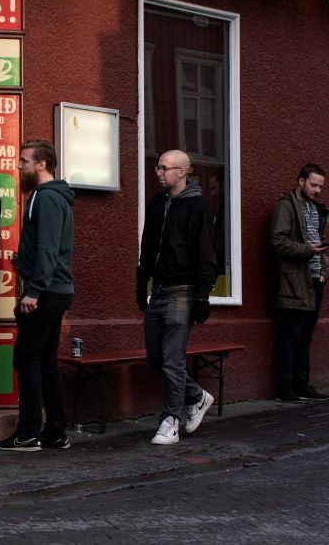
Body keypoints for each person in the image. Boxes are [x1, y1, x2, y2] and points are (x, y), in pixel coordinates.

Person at [0, 139, 75, 452]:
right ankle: (55, 432)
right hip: (56, 290)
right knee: (45, 362)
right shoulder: (52, 196)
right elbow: (45, 246)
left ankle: (28, 433)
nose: (19, 166)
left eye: (24, 161)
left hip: (46, 292)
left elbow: (49, 247)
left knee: (26, 360)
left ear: (41, 164)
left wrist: (35, 290)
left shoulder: (45, 197)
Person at [136, 149, 218, 445]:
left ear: (182, 172)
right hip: (157, 290)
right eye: (157, 167)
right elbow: (147, 244)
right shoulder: (157, 203)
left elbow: (208, 255)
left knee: (172, 360)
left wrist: (203, 296)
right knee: (155, 357)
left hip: (183, 292)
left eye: (164, 168)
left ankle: (170, 422)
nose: (158, 172)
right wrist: (140, 281)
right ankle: (195, 396)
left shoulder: (199, 208)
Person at [269, 163, 329, 402]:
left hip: (316, 279)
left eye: (321, 186)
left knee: (306, 336)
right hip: (294, 281)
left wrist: (325, 270)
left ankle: (302, 384)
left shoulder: (316, 209)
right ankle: (285, 388)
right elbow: (277, 241)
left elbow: (321, 240)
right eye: (314, 185)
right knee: (290, 335)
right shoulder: (286, 206)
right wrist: (307, 250)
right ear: (301, 181)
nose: (317, 190)